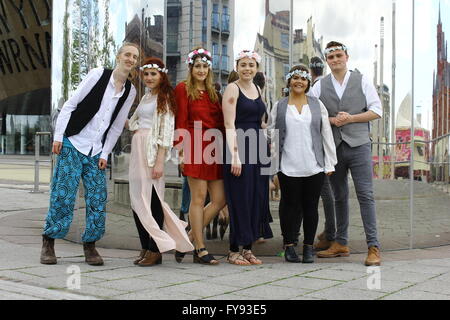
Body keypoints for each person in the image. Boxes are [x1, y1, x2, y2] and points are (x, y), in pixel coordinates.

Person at [40, 42, 140, 266]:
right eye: (127, 54)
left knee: (97, 198)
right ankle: (49, 242)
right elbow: (70, 105)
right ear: (118, 56)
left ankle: (90, 246)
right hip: (73, 142)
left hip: (96, 151)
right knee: (63, 195)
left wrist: (105, 153)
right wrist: (58, 137)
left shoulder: (130, 91)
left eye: (134, 57)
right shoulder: (98, 75)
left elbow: (115, 127)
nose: (130, 59)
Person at [310, 41, 382, 266]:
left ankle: (373, 247)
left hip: (359, 145)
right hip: (335, 147)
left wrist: (351, 118)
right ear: (327, 61)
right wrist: (330, 120)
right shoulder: (321, 85)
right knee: (339, 196)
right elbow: (310, 111)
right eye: (331, 58)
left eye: (339, 56)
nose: (335, 60)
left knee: (365, 195)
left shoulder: (361, 80)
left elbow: (376, 110)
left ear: (347, 57)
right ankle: (340, 242)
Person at [128, 57, 194, 267]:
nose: (148, 78)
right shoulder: (147, 96)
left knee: (153, 200)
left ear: (162, 76)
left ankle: (156, 249)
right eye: (146, 74)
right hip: (139, 148)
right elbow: (134, 121)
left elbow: (166, 132)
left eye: (153, 74)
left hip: (151, 150)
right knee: (137, 199)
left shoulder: (164, 98)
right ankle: (146, 246)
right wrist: (135, 128)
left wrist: (159, 162)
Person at [268, 65, 337, 263]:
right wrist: (272, 167)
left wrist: (330, 163)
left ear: (308, 83)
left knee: (311, 207)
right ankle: (289, 245)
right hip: (287, 165)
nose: (299, 81)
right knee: (289, 206)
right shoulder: (279, 106)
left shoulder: (317, 105)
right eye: (295, 78)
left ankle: (308, 247)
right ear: (289, 81)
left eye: (303, 79)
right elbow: (272, 136)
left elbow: (326, 133)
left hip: (313, 165)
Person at [174, 47, 226, 265]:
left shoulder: (214, 92)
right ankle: (200, 248)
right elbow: (181, 120)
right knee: (197, 197)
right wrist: (181, 151)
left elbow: (222, 123)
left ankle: (187, 237)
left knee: (221, 199)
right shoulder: (183, 89)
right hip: (194, 145)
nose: (202, 70)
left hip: (214, 148)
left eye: (205, 66)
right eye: (198, 66)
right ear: (191, 68)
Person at [222, 50, 273, 266]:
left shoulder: (258, 88)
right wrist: (234, 156)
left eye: (251, 65)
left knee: (256, 197)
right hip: (239, 146)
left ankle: (248, 248)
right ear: (237, 67)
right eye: (243, 64)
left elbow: (259, 119)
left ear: (256, 68)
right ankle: (233, 250)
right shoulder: (232, 88)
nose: (247, 69)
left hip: (258, 147)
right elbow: (229, 124)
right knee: (240, 198)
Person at [309, 56, 336, 251]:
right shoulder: (329, 85)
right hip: (335, 141)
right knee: (332, 192)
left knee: (326, 192)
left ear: (311, 71)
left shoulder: (315, 89)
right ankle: (330, 230)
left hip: (320, 145)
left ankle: (330, 232)